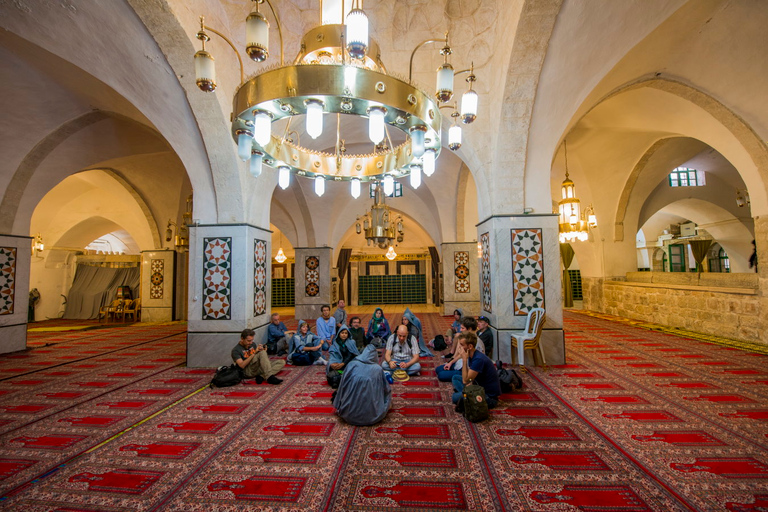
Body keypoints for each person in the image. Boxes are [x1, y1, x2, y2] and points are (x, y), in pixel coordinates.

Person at [333, 344, 391, 426]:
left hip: (348, 415)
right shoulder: (377, 369)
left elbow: (342, 387)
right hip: (373, 417)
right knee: (388, 399)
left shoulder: (351, 365)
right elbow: (386, 390)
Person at [451, 331, 500, 409]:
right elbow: (468, 377)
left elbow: (465, 380)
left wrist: (464, 360)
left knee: (454, 397)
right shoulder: (473, 354)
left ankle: (465, 394)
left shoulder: (478, 360)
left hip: (488, 397)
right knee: (455, 378)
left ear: (470, 346)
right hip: (477, 385)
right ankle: (466, 394)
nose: (460, 348)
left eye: (462, 345)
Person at [436, 317, 485, 382]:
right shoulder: (466, 338)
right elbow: (461, 354)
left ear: (469, 329)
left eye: (462, 328)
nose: (461, 330)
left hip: (466, 369)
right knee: (438, 369)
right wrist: (451, 362)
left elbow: (473, 366)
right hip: (459, 364)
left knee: (441, 375)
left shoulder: (476, 343)